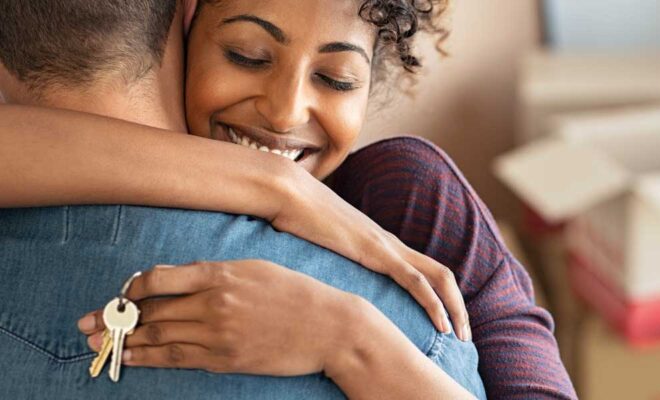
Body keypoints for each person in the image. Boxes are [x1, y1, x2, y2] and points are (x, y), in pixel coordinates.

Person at [0, 0, 572, 397]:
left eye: (339, 79)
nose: (283, 112)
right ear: (184, 27)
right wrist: (276, 186)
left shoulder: (410, 196)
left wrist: (347, 340)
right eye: (246, 55)